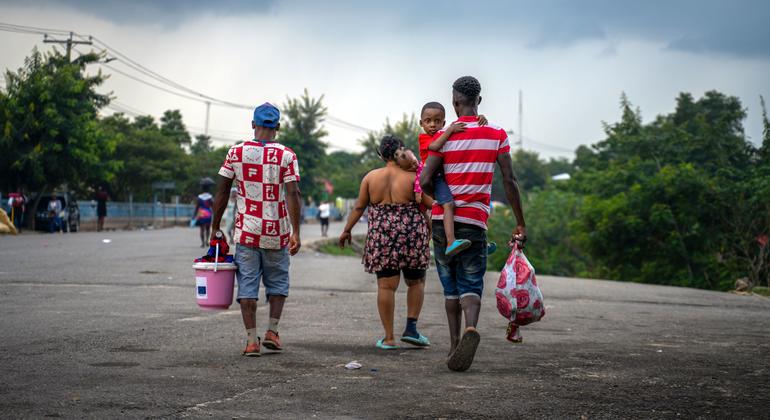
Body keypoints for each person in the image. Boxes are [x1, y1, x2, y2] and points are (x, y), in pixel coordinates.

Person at [421, 76, 527, 372]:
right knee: (471, 281)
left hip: (444, 223)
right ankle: (471, 328)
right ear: (479, 100)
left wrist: (438, 200)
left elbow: (426, 179)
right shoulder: (496, 134)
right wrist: (520, 222)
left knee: (450, 285)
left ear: (455, 103)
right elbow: (509, 180)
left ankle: (455, 344)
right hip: (475, 223)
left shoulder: (442, 136)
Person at [210, 102, 302, 357]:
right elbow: (294, 193)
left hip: (247, 233)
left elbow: (222, 191)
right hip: (277, 232)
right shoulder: (287, 155)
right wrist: (296, 232)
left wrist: (215, 227)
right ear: (278, 127)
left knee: (247, 288)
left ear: (253, 125)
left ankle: (252, 340)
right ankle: (273, 331)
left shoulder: (235, 153)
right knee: (278, 283)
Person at [339, 135, 433, 349]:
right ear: (401, 152)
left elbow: (359, 208)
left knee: (386, 286)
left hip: (382, 235)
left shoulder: (371, 178)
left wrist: (346, 230)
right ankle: (411, 328)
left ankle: (389, 337)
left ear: (381, 154)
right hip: (412, 233)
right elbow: (428, 204)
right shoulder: (412, 178)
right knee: (416, 282)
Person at [418, 103, 497, 257]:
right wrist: (450, 130)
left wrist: (477, 120)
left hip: (447, 175)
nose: (433, 124)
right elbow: (434, 147)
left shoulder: (442, 133)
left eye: (437, 121)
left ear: (443, 122)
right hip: (436, 177)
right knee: (449, 205)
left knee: (471, 197)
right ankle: (450, 242)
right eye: (428, 121)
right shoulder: (425, 138)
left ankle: (480, 246)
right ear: (421, 123)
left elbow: (462, 129)